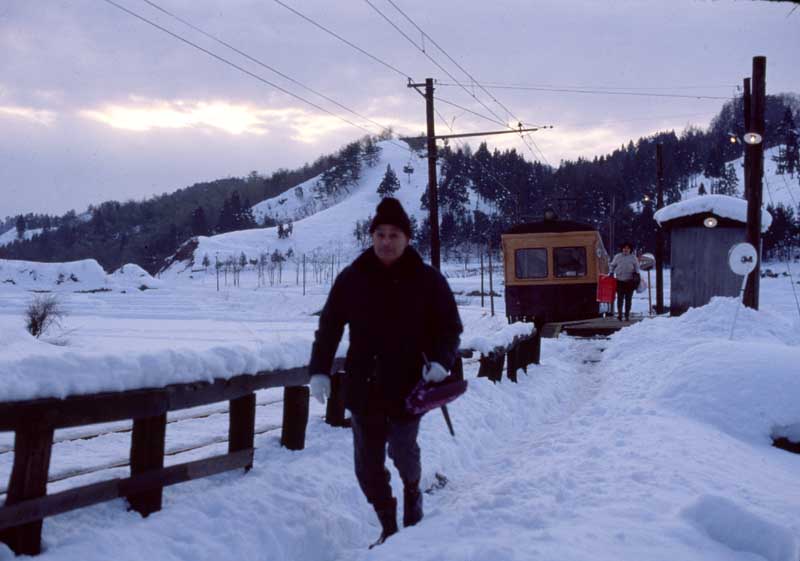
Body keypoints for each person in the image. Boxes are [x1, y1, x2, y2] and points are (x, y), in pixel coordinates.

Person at [308, 197, 463, 547]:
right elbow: (329, 326)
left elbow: (449, 327)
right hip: (364, 386)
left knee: (403, 451)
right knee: (367, 466)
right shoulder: (352, 278)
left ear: (407, 238)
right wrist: (319, 370)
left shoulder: (427, 280)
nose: (387, 241)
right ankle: (388, 523)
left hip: (410, 386)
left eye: (394, 234)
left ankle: (412, 498)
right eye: (380, 234)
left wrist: (441, 361)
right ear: (371, 236)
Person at [609, 242, 640, 321]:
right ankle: (619, 315)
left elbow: (637, 268)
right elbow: (612, 265)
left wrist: (637, 276)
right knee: (620, 299)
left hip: (630, 282)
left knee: (628, 299)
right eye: (624, 248)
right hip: (619, 281)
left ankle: (626, 315)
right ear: (622, 249)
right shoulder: (617, 257)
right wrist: (611, 272)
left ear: (630, 250)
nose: (626, 250)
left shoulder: (633, 258)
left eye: (628, 248)